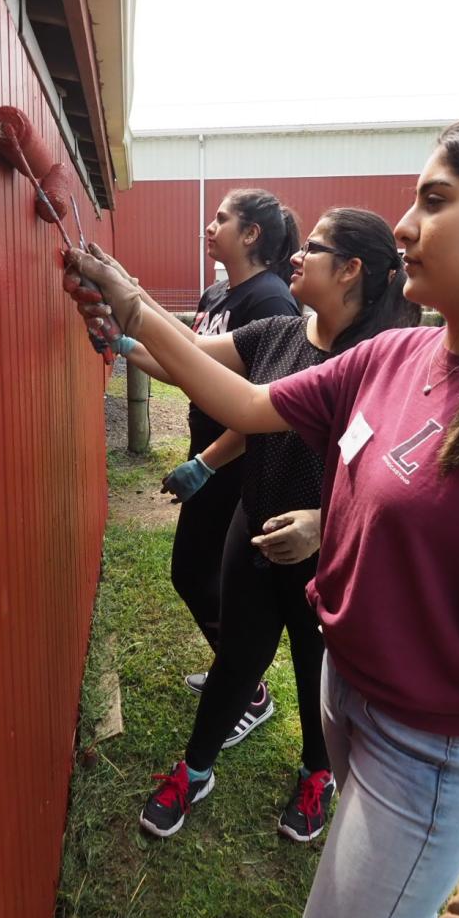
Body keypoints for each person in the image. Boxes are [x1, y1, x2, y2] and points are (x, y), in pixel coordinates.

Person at [65, 109, 459, 918]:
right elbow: (246, 403)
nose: (405, 225)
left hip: (428, 754)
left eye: (435, 200)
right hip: (349, 696)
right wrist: (131, 305)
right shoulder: (399, 356)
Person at [107, 210, 415, 841]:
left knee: (314, 667)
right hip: (255, 524)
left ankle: (315, 772)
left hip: (326, 550)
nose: (296, 256)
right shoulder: (279, 332)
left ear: (352, 270)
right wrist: (125, 335)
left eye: (315, 249)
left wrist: (323, 523)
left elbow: (393, 481)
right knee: (236, 659)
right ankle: (195, 770)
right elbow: (190, 360)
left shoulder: (379, 365)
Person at [161, 189, 301, 745]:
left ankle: (247, 687)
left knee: (203, 576)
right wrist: (129, 340)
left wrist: (205, 463)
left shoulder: (271, 303)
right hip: (207, 454)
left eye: (222, 219)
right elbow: (192, 365)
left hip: (236, 465)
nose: (209, 225)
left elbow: (265, 405)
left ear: (251, 235)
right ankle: (235, 675)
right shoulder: (218, 292)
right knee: (196, 573)